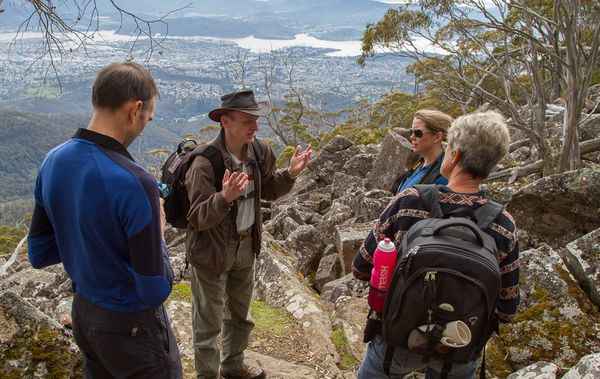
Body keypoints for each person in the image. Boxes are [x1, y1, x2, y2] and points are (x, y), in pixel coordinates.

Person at [27, 62, 182, 378]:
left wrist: (91, 239)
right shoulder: (136, 182)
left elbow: (39, 253)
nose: (142, 128)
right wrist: (160, 231)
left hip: (85, 315)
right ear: (134, 109)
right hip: (133, 329)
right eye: (146, 119)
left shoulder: (53, 161)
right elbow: (154, 289)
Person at [353, 111, 520, 378]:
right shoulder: (503, 225)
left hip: (395, 341)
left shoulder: (410, 201)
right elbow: (507, 309)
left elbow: (362, 265)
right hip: (459, 350)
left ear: (454, 156)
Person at [186, 89, 311, 379]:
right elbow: (197, 218)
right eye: (247, 121)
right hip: (212, 252)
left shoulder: (259, 151)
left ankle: (232, 366)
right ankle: (206, 375)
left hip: (246, 245)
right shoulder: (204, 162)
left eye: (256, 120)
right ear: (226, 122)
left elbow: (267, 189)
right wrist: (223, 198)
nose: (255, 127)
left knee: (241, 316)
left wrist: (290, 175)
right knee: (207, 323)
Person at [396, 109, 453, 193]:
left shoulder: (443, 176)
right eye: (411, 131)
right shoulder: (420, 163)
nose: (412, 137)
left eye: (418, 133)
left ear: (437, 137)